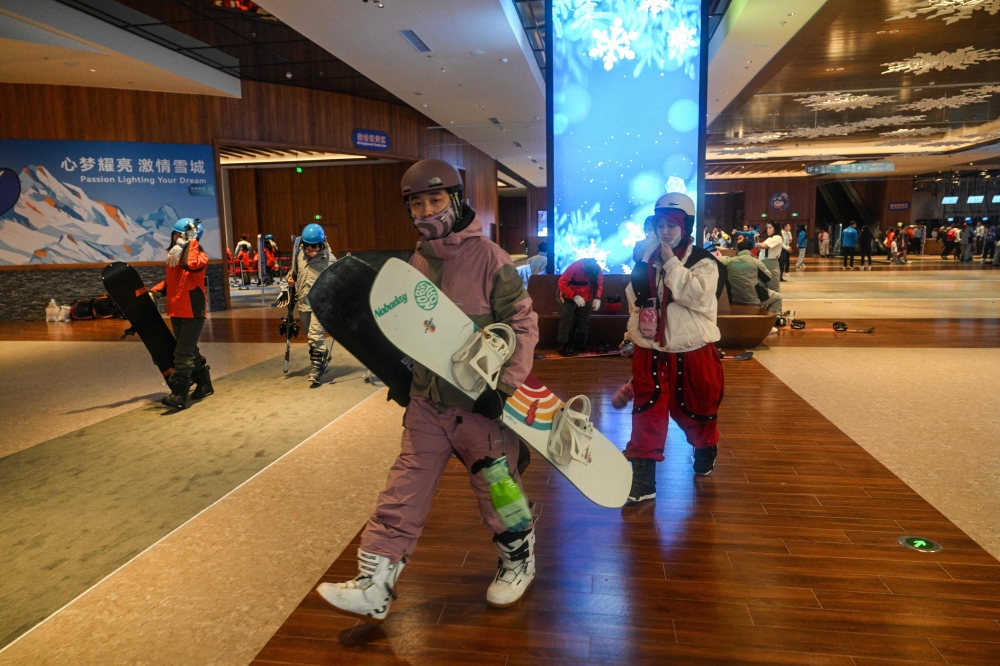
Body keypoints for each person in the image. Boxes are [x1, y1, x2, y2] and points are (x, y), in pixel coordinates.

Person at [315, 159, 539, 622]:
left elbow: (522, 323)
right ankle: (374, 583)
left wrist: (506, 386)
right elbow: (415, 332)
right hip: (428, 401)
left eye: (435, 200)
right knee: (406, 484)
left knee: (498, 487)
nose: (426, 211)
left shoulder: (491, 258)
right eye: (417, 204)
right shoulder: (416, 261)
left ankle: (519, 559)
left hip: (479, 403)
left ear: (455, 200)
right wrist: (404, 379)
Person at [614, 192, 725, 503]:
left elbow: (698, 296)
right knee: (646, 411)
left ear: (685, 227)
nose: (665, 232)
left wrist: (671, 263)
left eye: (672, 226)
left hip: (693, 352)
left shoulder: (704, 262)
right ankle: (643, 481)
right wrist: (632, 337)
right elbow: (637, 303)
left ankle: (705, 447)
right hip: (650, 351)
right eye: (660, 225)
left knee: (698, 409)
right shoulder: (645, 260)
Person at [151, 218, 212, 410]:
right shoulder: (174, 255)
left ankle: (179, 394)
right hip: (176, 308)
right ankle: (204, 384)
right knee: (189, 349)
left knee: (182, 352)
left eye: (181, 234)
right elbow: (172, 281)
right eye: (176, 234)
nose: (176, 237)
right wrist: (154, 292)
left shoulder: (201, 256)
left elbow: (191, 265)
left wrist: (191, 241)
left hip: (193, 310)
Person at [286, 223, 333, 384]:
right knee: (310, 336)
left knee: (315, 335)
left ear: (321, 244)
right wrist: (290, 279)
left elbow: (337, 281)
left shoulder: (329, 259)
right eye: (307, 246)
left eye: (314, 247)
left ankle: (316, 367)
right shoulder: (299, 255)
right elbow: (294, 272)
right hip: (303, 302)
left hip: (320, 304)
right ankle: (323, 354)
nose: (310, 250)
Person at [718, 240, 782, 319]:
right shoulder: (756, 262)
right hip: (753, 299)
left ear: (738, 250)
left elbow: (719, 260)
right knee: (778, 297)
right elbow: (768, 277)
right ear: (752, 250)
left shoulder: (729, 261)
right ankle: (770, 321)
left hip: (735, 298)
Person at [556, 257, 603, 356]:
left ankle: (581, 343)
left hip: (586, 296)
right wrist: (574, 296)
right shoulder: (575, 266)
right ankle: (563, 344)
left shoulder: (597, 269)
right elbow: (562, 282)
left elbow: (598, 284)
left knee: (584, 320)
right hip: (570, 295)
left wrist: (597, 297)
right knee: (566, 319)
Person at [755, 222, 784, 287]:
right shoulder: (769, 238)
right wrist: (756, 241)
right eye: (767, 228)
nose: (768, 229)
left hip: (771, 262)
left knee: (773, 285)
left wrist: (757, 244)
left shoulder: (777, 237)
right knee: (762, 286)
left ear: (775, 229)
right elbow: (760, 248)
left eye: (770, 228)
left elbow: (764, 246)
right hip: (763, 262)